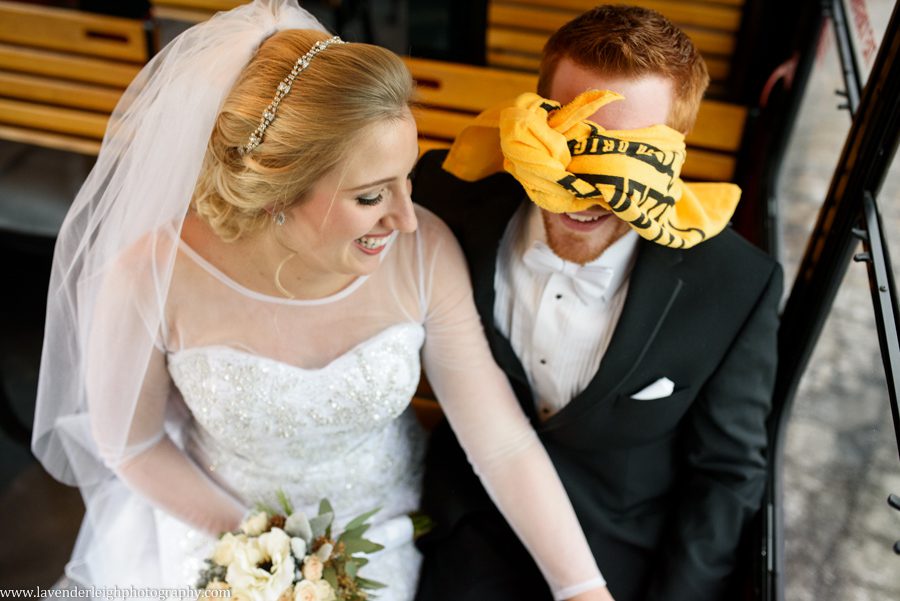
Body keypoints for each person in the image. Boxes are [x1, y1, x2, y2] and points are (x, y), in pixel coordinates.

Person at [30, 2, 614, 600]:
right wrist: (268, 554)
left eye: (407, 179)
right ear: (276, 191)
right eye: (370, 196)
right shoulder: (150, 276)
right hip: (219, 530)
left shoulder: (424, 252)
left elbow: (501, 442)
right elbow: (131, 446)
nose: (407, 219)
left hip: (385, 532)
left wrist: (581, 587)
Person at [412, 5, 782, 601]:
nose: (586, 189)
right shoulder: (447, 197)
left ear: (675, 152)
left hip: (618, 557)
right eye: (571, 143)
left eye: (622, 158)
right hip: (467, 527)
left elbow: (727, 474)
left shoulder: (734, 284)